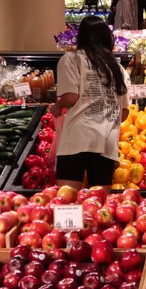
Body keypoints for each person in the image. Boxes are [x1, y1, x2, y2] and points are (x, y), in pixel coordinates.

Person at [50, 16, 130, 190]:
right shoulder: (118, 68)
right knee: (99, 206)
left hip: (77, 137)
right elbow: (123, 114)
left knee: (67, 200)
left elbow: (71, 97)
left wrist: (56, 108)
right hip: (106, 140)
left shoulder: (70, 59)